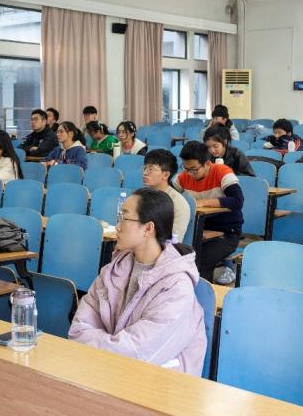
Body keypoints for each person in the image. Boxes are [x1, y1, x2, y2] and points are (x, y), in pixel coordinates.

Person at [68, 188, 206, 375]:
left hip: (159, 383)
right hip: (110, 372)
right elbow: (78, 330)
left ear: (148, 228)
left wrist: (99, 342)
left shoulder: (177, 286)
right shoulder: (113, 270)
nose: (117, 226)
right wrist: (113, 346)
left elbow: (137, 353)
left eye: (124, 218)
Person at [173, 141, 244, 282]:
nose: (190, 173)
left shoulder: (222, 172)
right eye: (186, 168)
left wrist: (203, 202)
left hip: (226, 233)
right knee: (177, 255)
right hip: (197, 231)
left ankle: (202, 292)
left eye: (194, 169)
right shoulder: (184, 176)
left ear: (206, 163)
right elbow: (170, 196)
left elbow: (237, 200)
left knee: (200, 260)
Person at [142, 149, 190, 243]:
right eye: (144, 168)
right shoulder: (141, 196)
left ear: (166, 175)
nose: (145, 173)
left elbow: (174, 240)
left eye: (151, 169)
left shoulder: (178, 203)